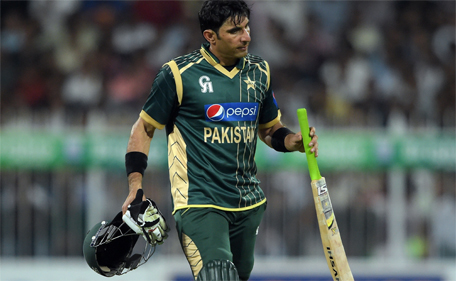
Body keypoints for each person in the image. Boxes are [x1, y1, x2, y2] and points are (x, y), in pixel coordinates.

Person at [121, 1, 319, 280]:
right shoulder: (178, 75)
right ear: (210, 37)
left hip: (247, 203)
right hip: (199, 202)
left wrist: (292, 142)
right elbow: (143, 129)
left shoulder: (259, 71)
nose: (247, 36)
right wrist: (135, 187)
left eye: (247, 27)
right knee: (218, 275)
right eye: (235, 30)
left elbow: (269, 128)